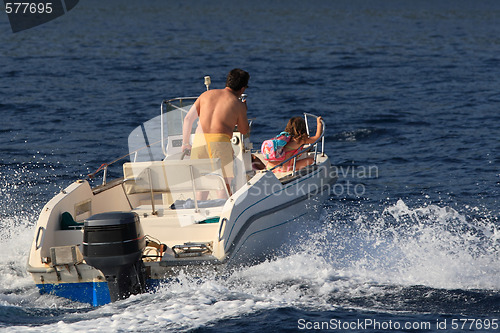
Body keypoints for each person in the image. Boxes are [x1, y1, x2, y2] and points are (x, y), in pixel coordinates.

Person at [182, 68, 250, 196]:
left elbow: (188, 119)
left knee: (203, 184)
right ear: (242, 89)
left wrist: (185, 143)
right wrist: (243, 110)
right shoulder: (237, 104)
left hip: (199, 141)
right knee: (223, 184)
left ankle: (199, 212)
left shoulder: (205, 95)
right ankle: (224, 213)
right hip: (219, 142)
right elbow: (243, 130)